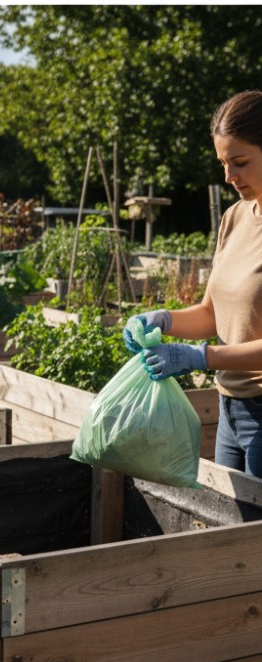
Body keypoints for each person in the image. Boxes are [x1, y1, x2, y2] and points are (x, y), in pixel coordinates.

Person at [125, 89, 262, 478]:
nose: (229, 176)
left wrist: (198, 358)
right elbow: (210, 314)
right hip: (230, 409)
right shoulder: (234, 218)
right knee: (231, 533)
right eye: (223, 163)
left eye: (240, 162)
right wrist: (164, 319)